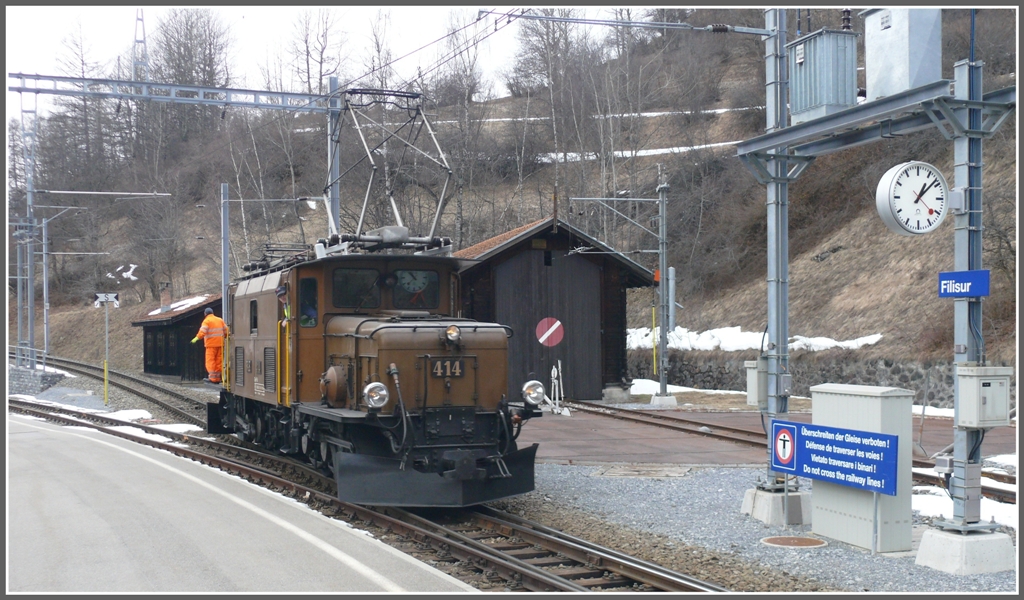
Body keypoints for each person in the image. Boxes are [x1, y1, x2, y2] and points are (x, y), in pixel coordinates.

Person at [192, 307, 228, 384]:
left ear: (205, 314)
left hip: (211, 345)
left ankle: (213, 378)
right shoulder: (220, 320)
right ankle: (218, 378)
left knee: (210, 361)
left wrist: (196, 338)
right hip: (220, 344)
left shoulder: (206, 321)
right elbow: (226, 331)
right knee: (219, 361)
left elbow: (202, 332)